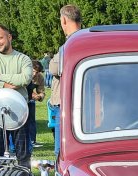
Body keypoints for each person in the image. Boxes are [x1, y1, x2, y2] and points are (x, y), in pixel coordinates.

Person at [0, 25, 33, 166]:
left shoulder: (23, 59)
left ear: (9, 37)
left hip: (20, 112)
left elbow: (25, 79)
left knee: (23, 153)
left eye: (0, 38)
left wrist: (0, 77)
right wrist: (5, 85)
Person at [49, 4, 83, 157]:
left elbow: (54, 69)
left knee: (60, 149)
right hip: (81, 101)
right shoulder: (85, 40)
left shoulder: (69, 45)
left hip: (64, 102)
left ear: (63, 20)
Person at [26, 60, 45, 147]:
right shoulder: (23, 74)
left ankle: (33, 140)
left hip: (31, 101)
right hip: (21, 99)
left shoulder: (40, 77)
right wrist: (33, 94)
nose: (34, 74)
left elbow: (41, 90)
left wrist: (40, 96)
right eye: (33, 71)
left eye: (37, 72)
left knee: (32, 121)